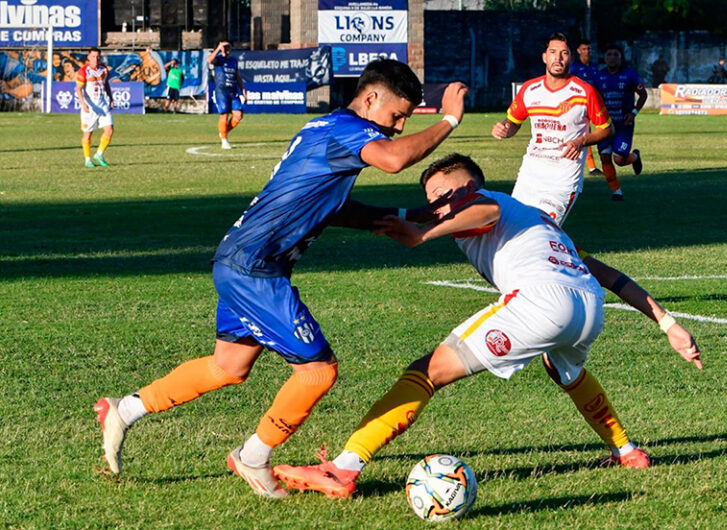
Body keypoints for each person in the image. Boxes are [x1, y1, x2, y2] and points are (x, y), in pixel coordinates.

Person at [94, 59, 469, 499]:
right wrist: (449, 119)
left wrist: (407, 216)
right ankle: (251, 457)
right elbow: (394, 160)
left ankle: (126, 409)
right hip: (254, 266)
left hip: (244, 260)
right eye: (397, 116)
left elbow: (327, 204)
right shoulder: (347, 130)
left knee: (228, 366)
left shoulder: (325, 130)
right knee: (318, 372)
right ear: (370, 99)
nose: (398, 127)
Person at [272, 153, 702, 498]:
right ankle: (626, 452)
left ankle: (343, 468)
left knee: (427, 372)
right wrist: (666, 322)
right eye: (433, 196)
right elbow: (602, 272)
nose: (440, 202)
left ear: (469, 186)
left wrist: (421, 235)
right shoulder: (535, 221)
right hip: (587, 307)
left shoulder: (490, 203)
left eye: (446, 192)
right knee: (564, 371)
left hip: (541, 302)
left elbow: (484, 209)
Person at [492, 32, 614, 225]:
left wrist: (581, 141)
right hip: (530, 175)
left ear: (570, 58)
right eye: (553, 52)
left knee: (543, 229)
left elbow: (607, 129)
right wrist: (504, 129)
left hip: (563, 179)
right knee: (511, 228)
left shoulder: (585, 92)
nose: (558, 58)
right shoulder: (529, 90)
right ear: (544, 57)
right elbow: (513, 122)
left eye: (564, 53)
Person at [594, 44, 647, 201]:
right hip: (604, 125)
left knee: (619, 159)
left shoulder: (629, 74)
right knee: (604, 157)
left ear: (621, 57)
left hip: (623, 126)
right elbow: (593, 99)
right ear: (604, 57)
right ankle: (616, 192)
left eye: (615, 54)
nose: (612, 57)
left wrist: (634, 113)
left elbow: (643, 94)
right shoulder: (598, 76)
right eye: (609, 54)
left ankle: (635, 157)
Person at [569, 39, 603, 178]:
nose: (587, 52)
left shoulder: (595, 67)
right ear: (578, 51)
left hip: (594, 104)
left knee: (602, 131)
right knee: (585, 134)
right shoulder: (574, 68)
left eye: (589, 49)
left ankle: (599, 163)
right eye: (584, 49)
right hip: (579, 105)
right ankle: (591, 166)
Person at [75, 47, 114, 168]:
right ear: (88, 57)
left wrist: (111, 98)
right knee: (88, 134)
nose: (95, 59)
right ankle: (87, 159)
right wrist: (84, 104)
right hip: (90, 107)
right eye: (93, 56)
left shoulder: (104, 69)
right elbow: (78, 89)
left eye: (98, 57)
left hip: (102, 104)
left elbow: (106, 84)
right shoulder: (83, 71)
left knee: (109, 129)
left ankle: (99, 154)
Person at [207, 41, 246, 149]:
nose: (227, 49)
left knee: (238, 115)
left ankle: (223, 131)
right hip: (221, 92)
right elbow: (209, 60)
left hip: (233, 92)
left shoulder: (233, 61)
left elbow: (237, 76)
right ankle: (224, 141)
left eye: (228, 47)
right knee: (224, 115)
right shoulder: (218, 59)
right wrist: (218, 48)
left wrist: (243, 90)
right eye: (225, 47)